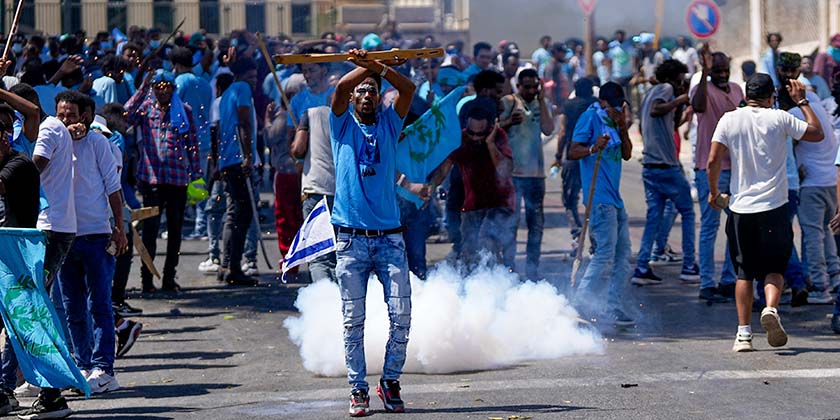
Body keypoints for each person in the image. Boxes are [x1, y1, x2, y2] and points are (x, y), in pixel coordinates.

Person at [330, 48, 420, 417]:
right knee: (354, 321)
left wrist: (378, 67)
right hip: (351, 240)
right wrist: (361, 67)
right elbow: (338, 89)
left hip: (390, 238)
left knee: (401, 314)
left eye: (372, 91)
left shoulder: (389, 122)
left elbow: (409, 89)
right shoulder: (341, 124)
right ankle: (357, 388)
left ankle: (391, 380)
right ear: (354, 98)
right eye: (361, 91)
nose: (366, 96)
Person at [708, 74, 824, 352]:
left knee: (744, 273)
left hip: (741, 209)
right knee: (774, 269)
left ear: (747, 94)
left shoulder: (729, 119)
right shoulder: (779, 118)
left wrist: (714, 192)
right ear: (771, 95)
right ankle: (771, 308)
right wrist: (802, 101)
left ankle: (743, 335)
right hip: (775, 207)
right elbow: (817, 133)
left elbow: (713, 159)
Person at [52, 90, 127, 396]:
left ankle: (105, 370)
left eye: (70, 114)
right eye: (60, 115)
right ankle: (83, 366)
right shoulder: (54, 141)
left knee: (100, 305)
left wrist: (119, 228)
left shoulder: (99, 144)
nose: (65, 120)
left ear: (85, 115)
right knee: (72, 308)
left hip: (96, 235)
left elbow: (114, 188)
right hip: (64, 236)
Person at [125, 70, 202, 294]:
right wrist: (143, 86)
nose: (163, 91)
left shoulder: (183, 111)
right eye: (159, 86)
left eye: (167, 86)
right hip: (151, 180)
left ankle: (169, 277)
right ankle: (146, 280)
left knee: (175, 232)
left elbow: (192, 145)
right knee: (150, 232)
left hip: (177, 180)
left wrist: (196, 174)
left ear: (173, 89)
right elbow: (127, 113)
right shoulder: (145, 109)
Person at [567, 81, 634, 326]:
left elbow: (626, 154)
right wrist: (593, 148)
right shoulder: (590, 118)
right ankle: (579, 303)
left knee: (622, 253)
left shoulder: (616, 122)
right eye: (613, 106)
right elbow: (573, 151)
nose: (616, 110)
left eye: (620, 106)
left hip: (615, 199)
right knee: (605, 252)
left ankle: (613, 306)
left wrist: (623, 128)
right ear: (603, 102)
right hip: (599, 198)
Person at [776, 52, 840, 305]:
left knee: (813, 236)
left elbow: (787, 144)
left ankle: (818, 287)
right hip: (828, 180)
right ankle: (834, 281)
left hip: (812, 183)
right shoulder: (813, 98)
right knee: (826, 233)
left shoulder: (793, 111)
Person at [632, 59, 699, 285]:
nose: (682, 86)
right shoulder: (665, 89)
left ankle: (642, 268)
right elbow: (656, 110)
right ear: (673, 78)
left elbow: (668, 123)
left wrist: (681, 108)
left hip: (650, 167)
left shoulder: (652, 91)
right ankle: (689, 266)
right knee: (688, 213)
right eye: (681, 81)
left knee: (654, 218)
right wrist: (680, 99)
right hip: (666, 167)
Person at [689, 49, 744, 302]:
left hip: (736, 169)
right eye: (717, 71)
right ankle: (706, 283)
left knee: (736, 226)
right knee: (710, 227)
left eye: (725, 70)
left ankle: (729, 279)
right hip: (709, 168)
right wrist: (704, 73)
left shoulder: (736, 89)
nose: (722, 75)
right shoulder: (703, 89)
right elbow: (697, 105)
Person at [499, 68, 553, 280]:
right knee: (511, 223)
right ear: (518, 86)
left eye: (534, 87)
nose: (531, 90)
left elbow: (548, 130)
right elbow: (494, 130)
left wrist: (541, 101)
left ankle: (532, 269)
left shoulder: (541, 104)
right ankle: (509, 266)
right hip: (514, 174)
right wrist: (508, 122)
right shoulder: (508, 102)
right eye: (527, 87)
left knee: (536, 224)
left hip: (536, 174)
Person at [217, 56, 261, 286]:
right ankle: (234, 267)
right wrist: (248, 156)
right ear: (242, 75)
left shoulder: (226, 93)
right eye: (252, 76)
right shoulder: (241, 88)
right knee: (242, 215)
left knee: (233, 213)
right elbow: (244, 122)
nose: (254, 81)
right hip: (238, 158)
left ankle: (226, 265)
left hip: (228, 159)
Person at [171, 46, 214, 241]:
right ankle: (202, 225)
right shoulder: (204, 82)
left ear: (176, 65)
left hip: (184, 140)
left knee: (180, 185)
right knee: (199, 182)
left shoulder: (179, 82)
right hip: (203, 139)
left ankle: (180, 225)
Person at [290, 104, 336, 283]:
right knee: (338, 256)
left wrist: (296, 141)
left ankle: (323, 303)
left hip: (316, 190)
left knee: (319, 256)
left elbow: (298, 149)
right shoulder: (354, 117)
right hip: (342, 193)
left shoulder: (311, 113)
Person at [555, 78, 598, 248]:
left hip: (573, 156)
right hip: (593, 156)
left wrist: (558, 155)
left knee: (569, 198)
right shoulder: (596, 105)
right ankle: (595, 239)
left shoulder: (569, 105)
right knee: (593, 198)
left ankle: (577, 234)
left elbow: (563, 131)